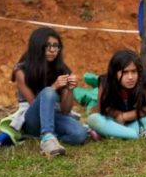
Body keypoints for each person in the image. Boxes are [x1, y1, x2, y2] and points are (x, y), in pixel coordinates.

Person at [9, 27, 89, 156]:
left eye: (56, 46)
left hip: (55, 116)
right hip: (32, 119)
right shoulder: (21, 70)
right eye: (47, 46)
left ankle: (51, 137)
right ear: (37, 47)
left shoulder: (61, 69)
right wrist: (54, 87)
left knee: (80, 135)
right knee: (48, 92)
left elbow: (65, 110)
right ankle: (47, 137)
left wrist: (69, 90)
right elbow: (34, 103)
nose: (52, 50)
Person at [86, 49, 146, 141]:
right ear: (115, 73)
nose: (130, 77)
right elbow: (101, 109)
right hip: (116, 121)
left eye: (134, 72)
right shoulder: (106, 82)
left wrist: (125, 116)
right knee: (93, 119)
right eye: (125, 72)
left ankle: (111, 134)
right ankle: (142, 135)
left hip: (142, 120)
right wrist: (117, 115)